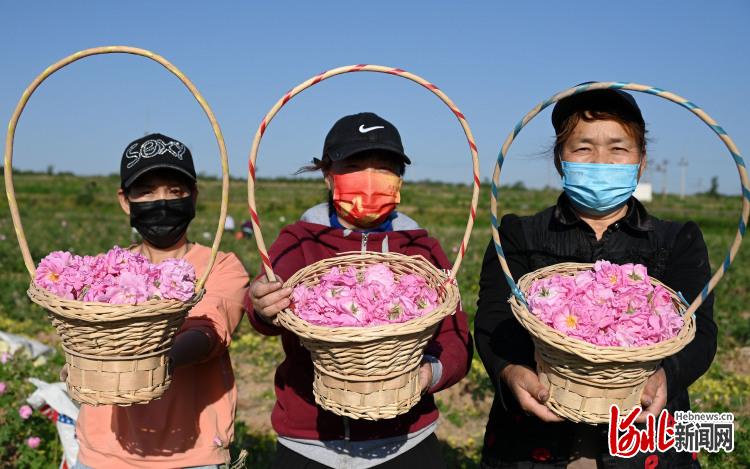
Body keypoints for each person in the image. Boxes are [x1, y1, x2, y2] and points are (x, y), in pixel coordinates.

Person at [475, 88, 717, 468]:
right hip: (535, 436)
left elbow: (699, 330)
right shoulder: (518, 234)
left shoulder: (677, 240)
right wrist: (511, 372)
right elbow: (494, 320)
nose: (601, 161)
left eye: (618, 149)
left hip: (641, 437)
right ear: (560, 160)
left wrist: (666, 377)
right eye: (583, 148)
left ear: (641, 162)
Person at [246, 112, 473, 468]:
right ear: (328, 173)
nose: (370, 178)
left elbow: (457, 339)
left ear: (400, 178)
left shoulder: (421, 248)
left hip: (407, 439)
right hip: (310, 442)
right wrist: (260, 304)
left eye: (385, 167)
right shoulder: (299, 240)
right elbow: (265, 309)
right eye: (355, 165)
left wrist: (430, 373)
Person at [73, 133, 249, 469]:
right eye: (147, 191)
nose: (162, 201)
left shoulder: (219, 265)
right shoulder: (104, 271)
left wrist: (150, 363)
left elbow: (208, 331)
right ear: (126, 201)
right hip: (103, 451)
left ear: (193, 197)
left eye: (175, 191)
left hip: (192, 454)